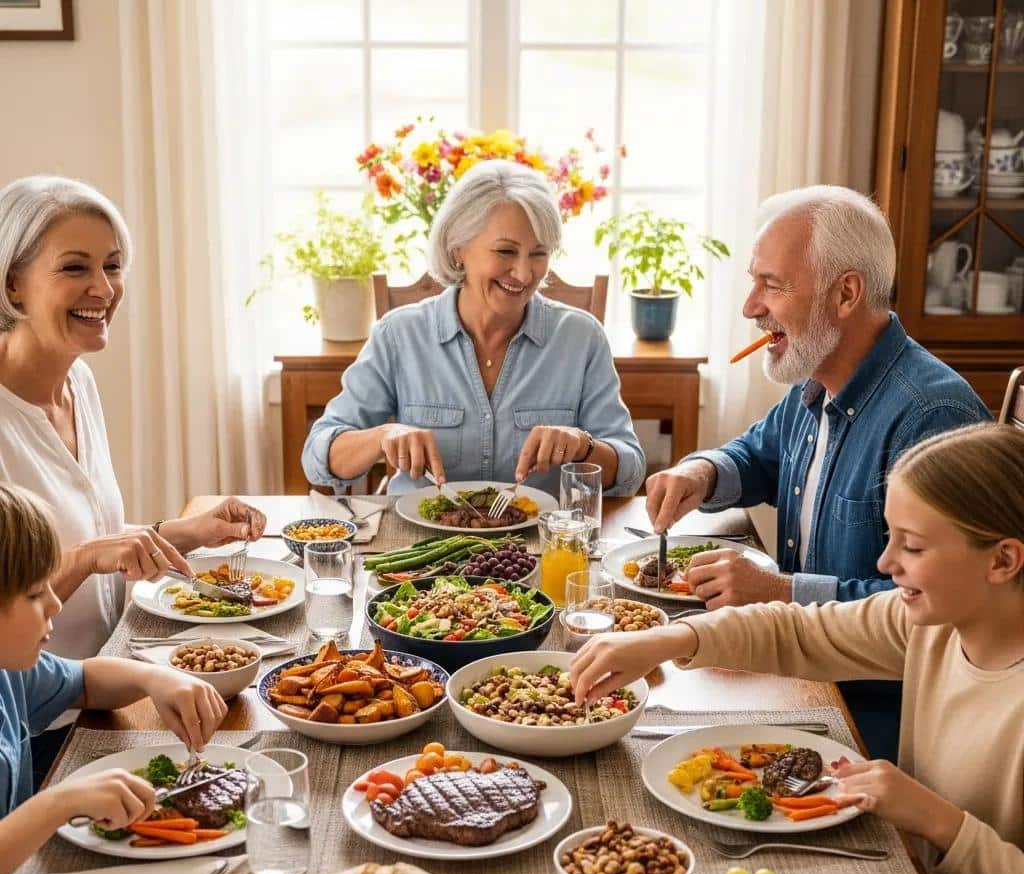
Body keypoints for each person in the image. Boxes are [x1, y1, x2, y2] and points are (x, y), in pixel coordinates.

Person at [573, 423, 1024, 874]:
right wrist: (666, 638)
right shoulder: (930, 622)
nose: (885, 562)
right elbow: (799, 628)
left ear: (1003, 560)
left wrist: (936, 819)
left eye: (912, 547)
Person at [643, 185, 990, 759]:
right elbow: (759, 452)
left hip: (873, 721)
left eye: (772, 286)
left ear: (845, 294)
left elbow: (943, 620)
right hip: (797, 674)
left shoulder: (933, 417)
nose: (750, 307)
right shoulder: (820, 380)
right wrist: (702, 471)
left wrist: (781, 592)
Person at [0, 175, 267, 662]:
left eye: (113, 265)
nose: (102, 288)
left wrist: (186, 531)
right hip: (31, 719)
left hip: (106, 676)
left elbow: (92, 534)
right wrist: (86, 558)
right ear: (13, 286)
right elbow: (27, 586)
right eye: (74, 267)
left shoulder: (78, 382)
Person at [302, 160, 644, 499]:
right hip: (419, 547)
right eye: (505, 251)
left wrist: (583, 446)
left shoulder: (581, 338)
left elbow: (629, 469)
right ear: (458, 249)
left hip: (542, 547)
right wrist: (382, 437)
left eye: (538, 254)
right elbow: (319, 456)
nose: (524, 274)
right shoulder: (399, 334)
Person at [0, 484, 228, 874]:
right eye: (37, 594)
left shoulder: (10, 671)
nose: (56, 603)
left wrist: (155, 678)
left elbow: (86, 682)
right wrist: (58, 803)